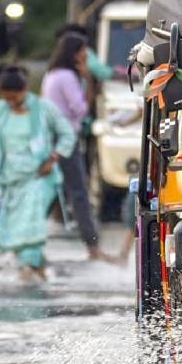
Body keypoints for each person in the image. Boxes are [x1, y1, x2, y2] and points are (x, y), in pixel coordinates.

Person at [0, 67, 77, 281]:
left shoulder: (44, 108)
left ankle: (26, 273)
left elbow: (67, 134)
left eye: (15, 97)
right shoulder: (0, 108)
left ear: (25, 90)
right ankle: (37, 272)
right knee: (14, 226)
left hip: (39, 177)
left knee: (30, 223)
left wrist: (53, 157)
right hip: (11, 178)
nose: (11, 102)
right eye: (6, 98)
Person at [42, 32, 113, 262]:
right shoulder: (68, 77)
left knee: (49, 191)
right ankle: (92, 246)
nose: (87, 55)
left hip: (50, 136)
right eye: (84, 51)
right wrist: (88, 80)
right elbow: (81, 109)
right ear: (75, 53)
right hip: (66, 139)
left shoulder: (52, 74)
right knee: (79, 192)